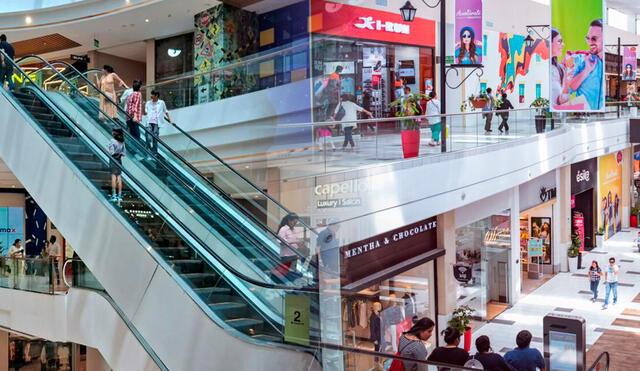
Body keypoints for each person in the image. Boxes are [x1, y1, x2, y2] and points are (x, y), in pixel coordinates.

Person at [567, 19, 604, 111]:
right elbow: (570, 87)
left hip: (606, 114)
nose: (590, 42)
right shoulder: (581, 59)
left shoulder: (608, 62)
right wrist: (586, 70)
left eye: (594, 39)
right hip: (584, 113)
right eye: (588, 38)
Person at [143, 90, 173, 157]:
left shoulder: (161, 102)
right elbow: (146, 111)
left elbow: (165, 111)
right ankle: (148, 150)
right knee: (148, 138)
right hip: (149, 122)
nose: (151, 96)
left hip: (157, 123)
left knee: (155, 138)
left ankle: (154, 152)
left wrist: (170, 121)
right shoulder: (148, 103)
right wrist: (145, 111)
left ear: (156, 95)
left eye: (152, 94)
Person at [275, 213, 304, 280]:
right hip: (286, 256)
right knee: (287, 273)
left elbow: (294, 240)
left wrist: (298, 243)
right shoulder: (284, 229)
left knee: (292, 273)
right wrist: (294, 242)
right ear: (289, 220)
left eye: (296, 222)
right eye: (294, 222)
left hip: (294, 255)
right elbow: (279, 240)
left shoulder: (293, 230)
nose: (294, 224)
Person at [550, 29, 570, 108]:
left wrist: (567, 80)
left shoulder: (559, 69)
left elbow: (562, 100)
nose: (563, 44)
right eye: (559, 41)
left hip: (555, 115)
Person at [108, 128, 126, 202]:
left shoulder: (112, 141)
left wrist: (108, 148)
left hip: (113, 160)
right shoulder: (122, 142)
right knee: (119, 177)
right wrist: (119, 155)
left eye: (113, 131)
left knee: (113, 177)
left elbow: (111, 152)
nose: (112, 132)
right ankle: (119, 195)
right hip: (119, 160)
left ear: (115, 133)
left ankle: (113, 195)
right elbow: (124, 153)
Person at [125, 79, 143, 144]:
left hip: (128, 117)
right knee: (137, 135)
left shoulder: (131, 95)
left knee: (132, 134)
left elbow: (129, 106)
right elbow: (135, 105)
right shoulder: (138, 94)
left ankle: (133, 151)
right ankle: (136, 151)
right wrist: (135, 116)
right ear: (140, 87)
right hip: (133, 117)